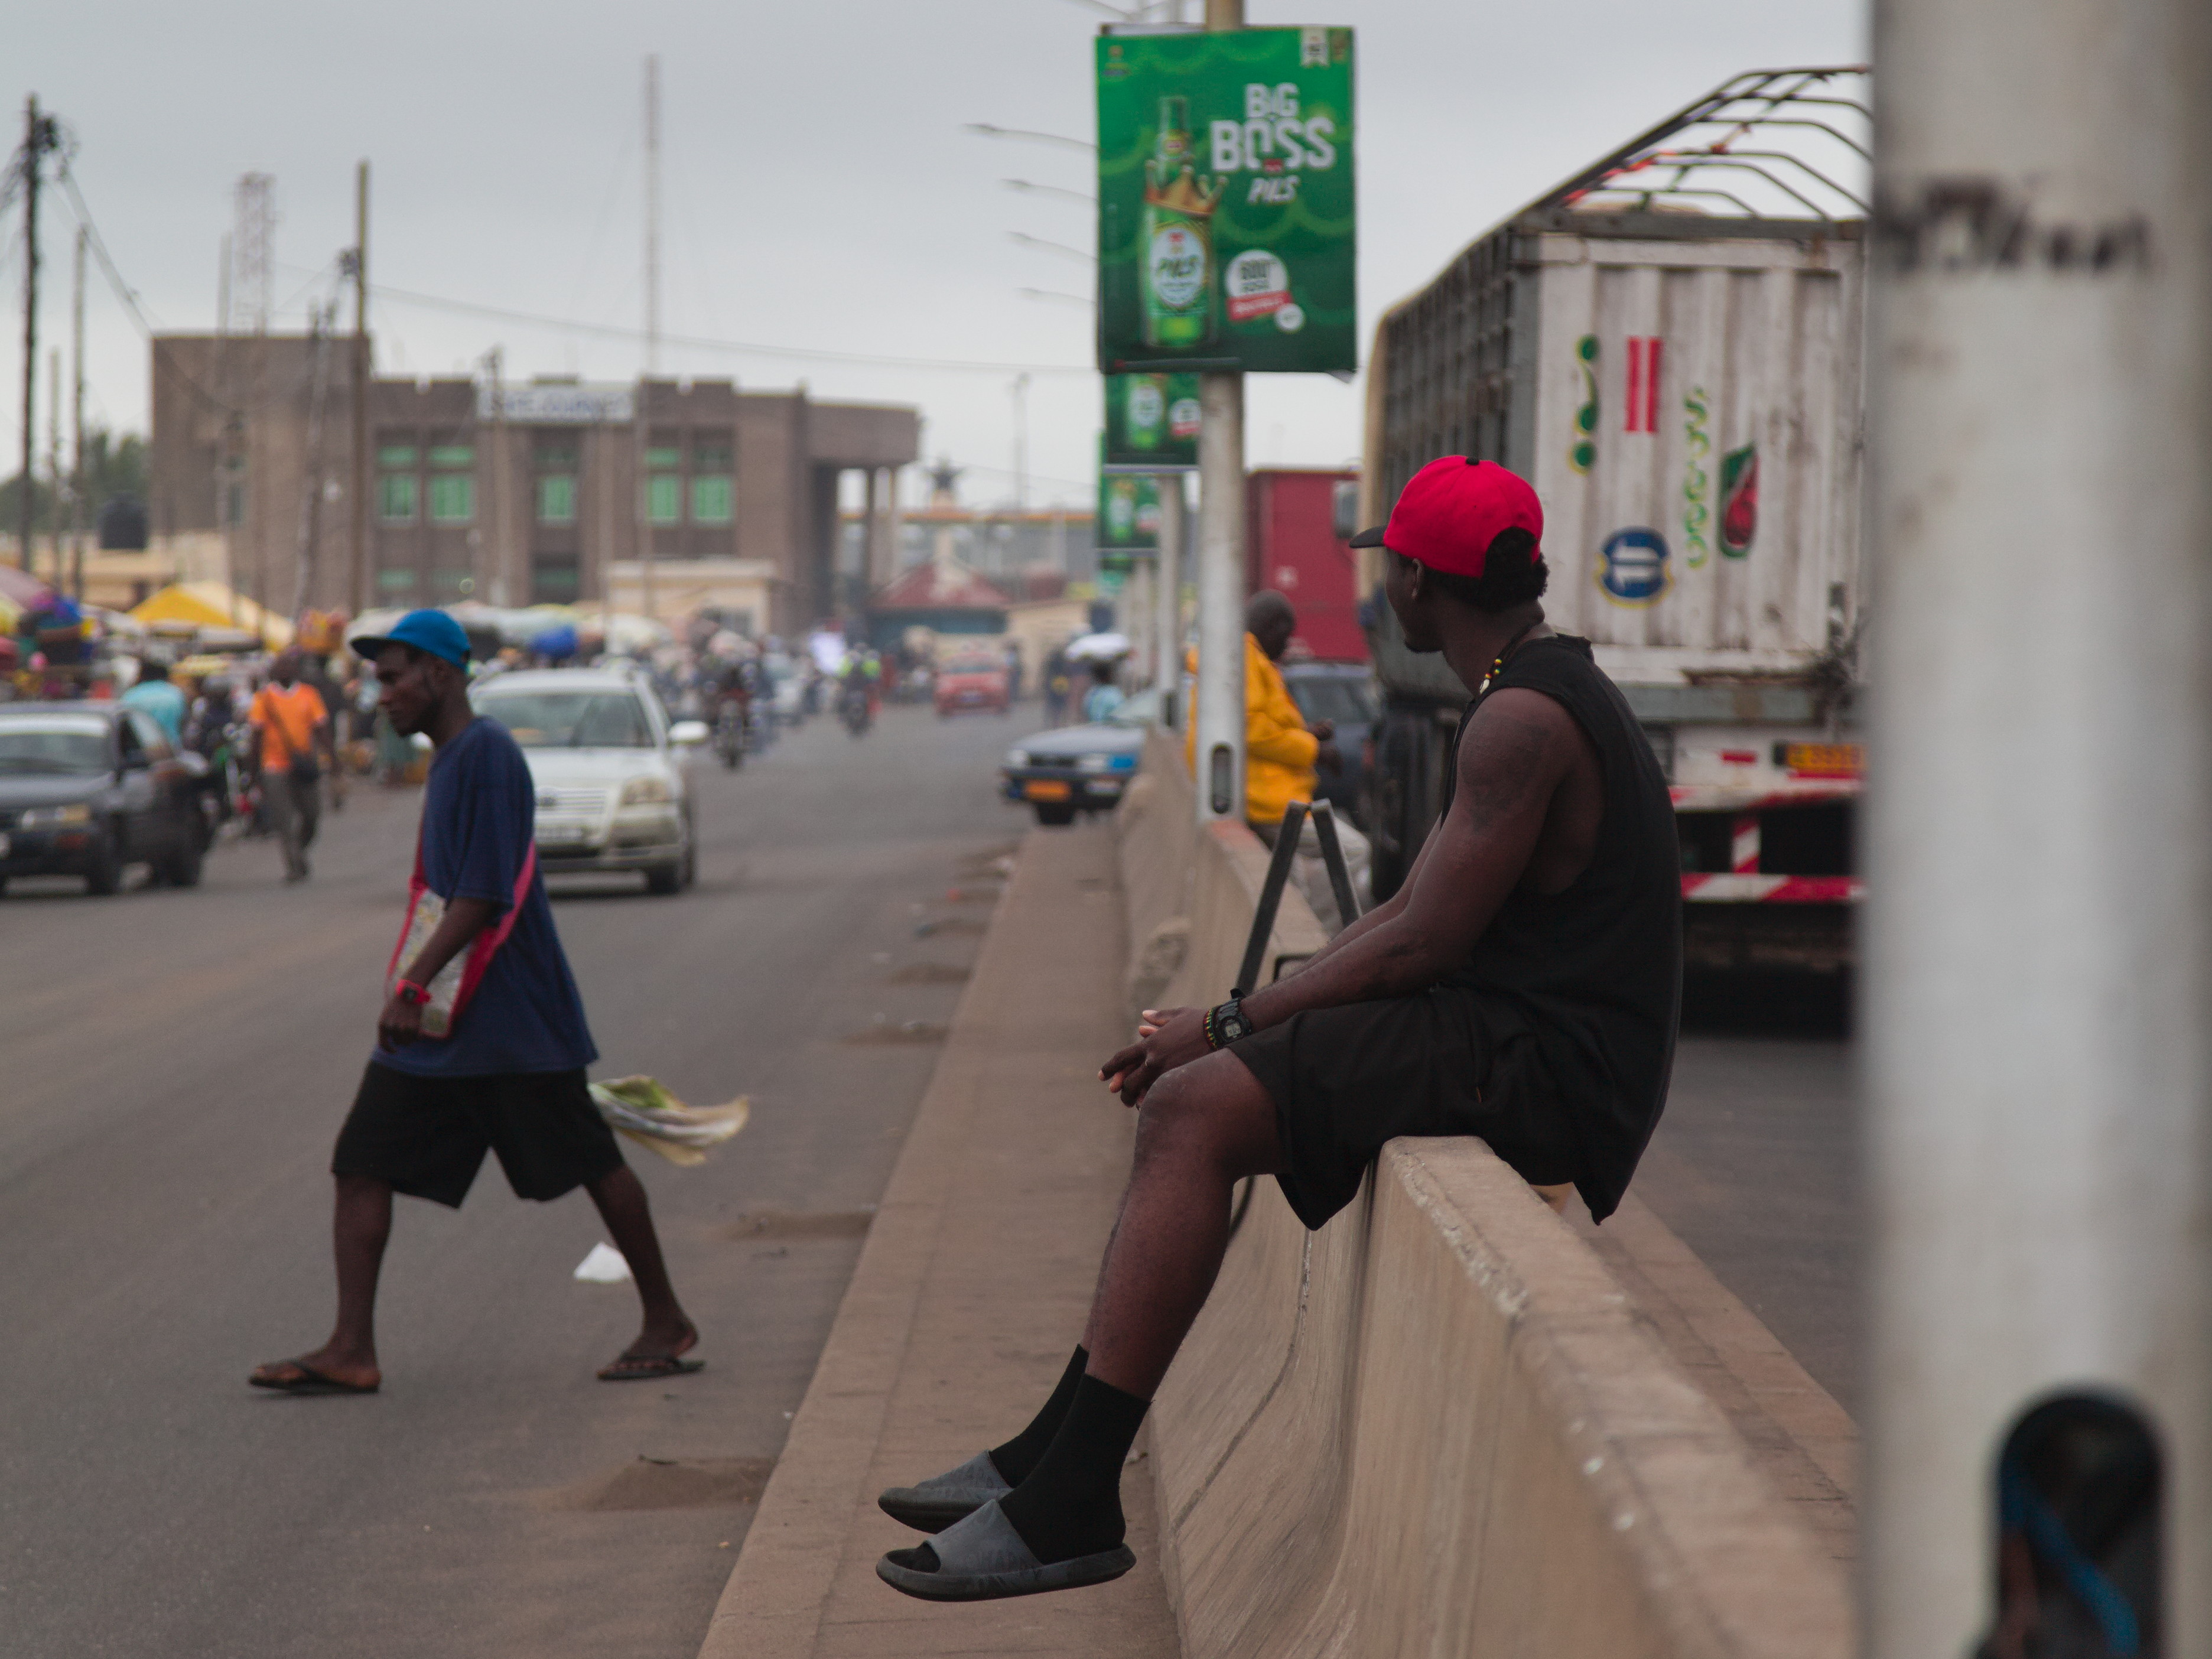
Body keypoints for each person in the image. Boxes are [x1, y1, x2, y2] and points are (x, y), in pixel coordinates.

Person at [872, 457, 1682, 1601]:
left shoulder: (1520, 718)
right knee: (1209, 1084)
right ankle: (1046, 1456)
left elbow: (1420, 945)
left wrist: (1223, 1024)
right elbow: (1405, 911)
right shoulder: (1533, 684)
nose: (1377, 588)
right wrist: (1236, 1017)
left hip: (1543, 1064)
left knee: (1189, 1112)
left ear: (1415, 581)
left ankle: (1071, 1501)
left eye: (1385, 566)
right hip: (1518, 1033)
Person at [249, 610, 699, 1397]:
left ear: (440, 675)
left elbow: (484, 894)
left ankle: (666, 1321)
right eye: (378, 680)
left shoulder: (485, 755)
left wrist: (413, 985)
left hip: (512, 1018)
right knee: (362, 1163)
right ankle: (351, 1348)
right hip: (452, 1023)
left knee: (592, 1161)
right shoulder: (455, 758)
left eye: (394, 678)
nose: (382, 695)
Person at [1185, 590, 1372, 930]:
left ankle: (1305, 939)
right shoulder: (1245, 659)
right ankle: (1324, 937)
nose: (1286, 647)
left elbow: (1261, 722)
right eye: (1284, 637)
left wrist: (1307, 732)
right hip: (1268, 801)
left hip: (1262, 795)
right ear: (1269, 627)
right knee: (1354, 850)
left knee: (1292, 890)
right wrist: (1314, 750)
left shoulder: (1246, 659)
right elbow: (1251, 729)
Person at [249, 649, 334, 882]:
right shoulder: (264, 698)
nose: (285, 671)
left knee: (312, 815)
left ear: (296, 670)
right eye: (281, 667)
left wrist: (333, 759)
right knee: (284, 818)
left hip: (304, 764)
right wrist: (253, 772)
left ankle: (299, 849)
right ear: (273, 672)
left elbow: (321, 728)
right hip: (274, 766)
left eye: (289, 666)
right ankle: (294, 865)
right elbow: (256, 736)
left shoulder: (309, 694)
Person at [119, 656, 188, 746]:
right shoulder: (175, 693)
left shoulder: (132, 695)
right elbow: (183, 721)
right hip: (171, 747)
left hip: (140, 748)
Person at [1080, 659, 1124, 724]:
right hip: (1110, 729)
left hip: (1092, 728)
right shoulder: (1115, 694)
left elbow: (1085, 711)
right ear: (1110, 674)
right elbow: (1122, 715)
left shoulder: (1091, 693)